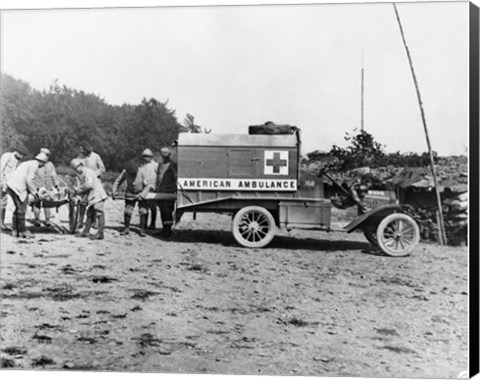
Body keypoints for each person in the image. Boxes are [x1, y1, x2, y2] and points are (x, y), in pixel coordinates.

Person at [5, 152, 48, 238]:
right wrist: (35, 192)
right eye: (43, 164)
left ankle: (15, 230)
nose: (42, 166)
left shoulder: (27, 163)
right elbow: (29, 180)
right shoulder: (34, 165)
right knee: (22, 208)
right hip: (18, 187)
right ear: (42, 162)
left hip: (11, 185)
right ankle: (23, 231)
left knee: (18, 208)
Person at [112, 160, 153, 237]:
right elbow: (118, 180)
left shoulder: (143, 172)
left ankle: (142, 229)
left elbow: (148, 185)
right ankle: (126, 228)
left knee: (143, 211)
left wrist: (142, 195)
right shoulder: (125, 172)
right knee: (127, 211)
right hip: (130, 192)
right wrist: (114, 190)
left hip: (141, 193)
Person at [70, 158, 108, 240]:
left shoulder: (88, 172)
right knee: (90, 213)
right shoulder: (82, 174)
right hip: (92, 196)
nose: (76, 170)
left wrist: (78, 189)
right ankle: (86, 231)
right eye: (75, 169)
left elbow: (89, 185)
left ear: (80, 165)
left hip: (97, 194)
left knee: (99, 212)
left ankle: (100, 233)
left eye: (77, 168)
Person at [76, 143, 106, 229]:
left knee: (94, 203)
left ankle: (94, 221)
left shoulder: (96, 156)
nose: (84, 153)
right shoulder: (80, 157)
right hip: (84, 182)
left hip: (94, 183)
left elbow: (102, 169)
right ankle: (80, 221)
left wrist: (94, 175)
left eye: (85, 152)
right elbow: (77, 169)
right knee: (82, 202)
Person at [32, 148, 59, 227]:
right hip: (38, 186)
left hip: (47, 187)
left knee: (47, 203)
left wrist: (56, 184)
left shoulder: (50, 164)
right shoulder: (36, 164)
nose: (47, 156)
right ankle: (37, 219)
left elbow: (54, 175)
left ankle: (47, 219)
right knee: (37, 203)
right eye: (46, 155)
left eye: (48, 155)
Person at [0, 148, 25, 230]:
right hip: (2, 181)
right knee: (2, 201)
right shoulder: (7, 156)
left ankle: (4, 223)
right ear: (17, 152)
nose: (22, 157)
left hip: (10, 183)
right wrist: (2, 181)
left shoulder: (18, 161)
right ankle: (1, 223)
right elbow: (1, 169)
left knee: (6, 202)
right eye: (21, 154)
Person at [155, 147, 177, 238]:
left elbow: (176, 179)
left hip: (168, 192)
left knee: (168, 211)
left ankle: (168, 231)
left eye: (166, 156)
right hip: (160, 191)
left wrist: (171, 187)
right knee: (162, 211)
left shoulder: (172, 165)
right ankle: (164, 229)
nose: (165, 157)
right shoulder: (160, 165)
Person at [139, 148, 159, 230]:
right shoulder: (141, 165)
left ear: (151, 157)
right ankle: (144, 224)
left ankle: (153, 223)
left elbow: (159, 175)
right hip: (143, 188)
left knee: (153, 207)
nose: (146, 158)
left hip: (152, 188)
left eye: (147, 156)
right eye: (144, 156)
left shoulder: (155, 165)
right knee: (144, 206)